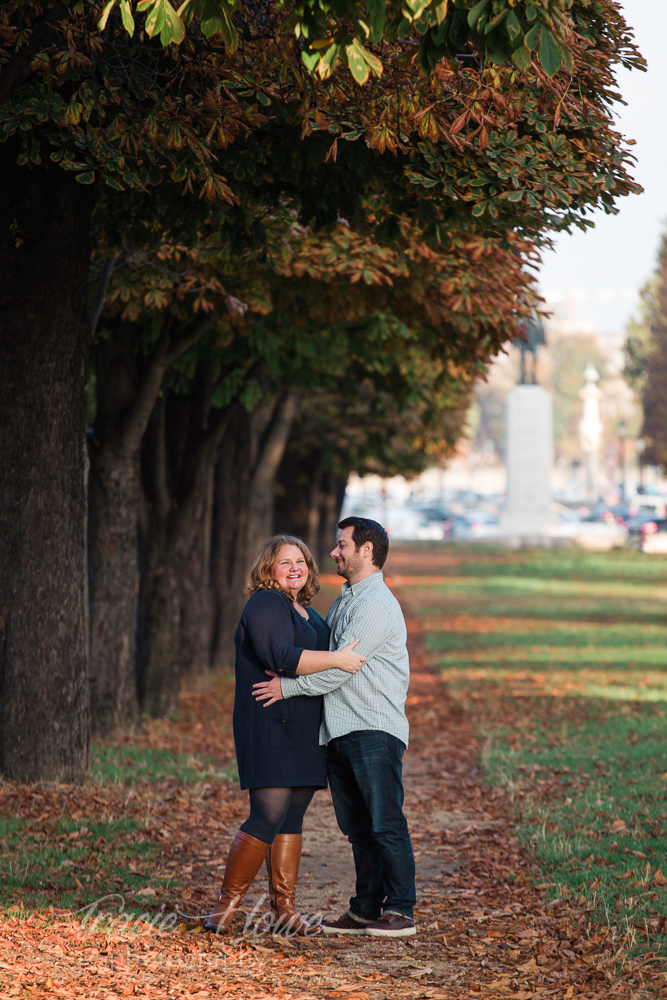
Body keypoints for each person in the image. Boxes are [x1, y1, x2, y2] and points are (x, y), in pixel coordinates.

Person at [253, 517, 416, 938]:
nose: (333, 552)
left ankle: (400, 910)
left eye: (342, 544)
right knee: (358, 829)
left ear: (366, 551)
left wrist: (286, 688)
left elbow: (341, 669)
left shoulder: (376, 604)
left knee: (385, 822)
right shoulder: (347, 599)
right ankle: (365, 910)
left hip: (373, 728)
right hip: (341, 730)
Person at [204, 534, 365, 936]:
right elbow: (281, 657)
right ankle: (224, 908)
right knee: (267, 814)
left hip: (306, 725)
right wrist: (339, 660)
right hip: (271, 721)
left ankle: (284, 910)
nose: (295, 568)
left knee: (292, 816)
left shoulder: (306, 611)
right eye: (284, 562)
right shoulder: (266, 604)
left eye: (301, 561)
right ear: (268, 569)